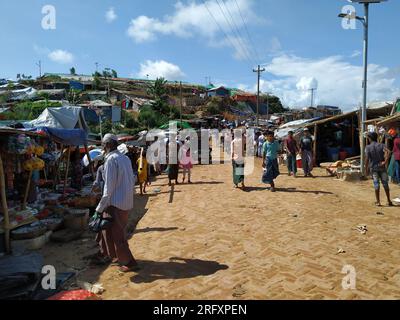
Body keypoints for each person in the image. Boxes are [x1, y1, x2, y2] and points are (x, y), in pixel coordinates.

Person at [94, 133, 139, 273]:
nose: (102, 147)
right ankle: (114, 256)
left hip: (115, 204)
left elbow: (108, 188)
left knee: (117, 236)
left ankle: (129, 262)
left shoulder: (111, 160)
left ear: (108, 145)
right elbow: (132, 179)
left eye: (103, 144)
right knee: (113, 233)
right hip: (125, 202)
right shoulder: (124, 158)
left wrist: (99, 209)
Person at [365, 132, 393, 207]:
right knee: (385, 184)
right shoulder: (382, 145)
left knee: (376, 184)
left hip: (374, 168)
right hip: (382, 168)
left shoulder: (368, 147)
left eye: (368, 138)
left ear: (370, 138)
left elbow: (367, 159)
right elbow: (389, 152)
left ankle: (378, 202)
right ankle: (389, 201)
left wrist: (366, 169)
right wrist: (385, 161)